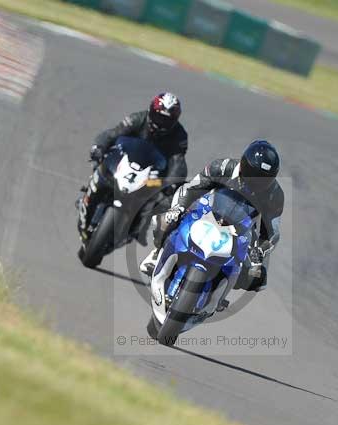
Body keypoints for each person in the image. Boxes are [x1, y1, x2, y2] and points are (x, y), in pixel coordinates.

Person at [140, 139, 284, 293]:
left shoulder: (274, 195)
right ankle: (157, 253)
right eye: (253, 173)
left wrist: (259, 251)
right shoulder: (222, 167)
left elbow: (272, 232)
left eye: (263, 178)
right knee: (166, 220)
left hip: (241, 232)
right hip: (207, 213)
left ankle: (219, 293)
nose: (256, 180)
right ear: (243, 165)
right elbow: (192, 188)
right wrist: (178, 208)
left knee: (257, 278)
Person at [78, 92, 188, 243]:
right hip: (124, 161)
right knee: (100, 165)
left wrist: (172, 182)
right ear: (151, 112)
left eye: (166, 120)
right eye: (158, 117)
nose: (161, 123)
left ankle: (139, 227)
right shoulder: (138, 119)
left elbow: (178, 161)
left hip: (152, 175)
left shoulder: (179, 136)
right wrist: (99, 147)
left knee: (160, 200)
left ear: (174, 121)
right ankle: (89, 195)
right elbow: (113, 134)